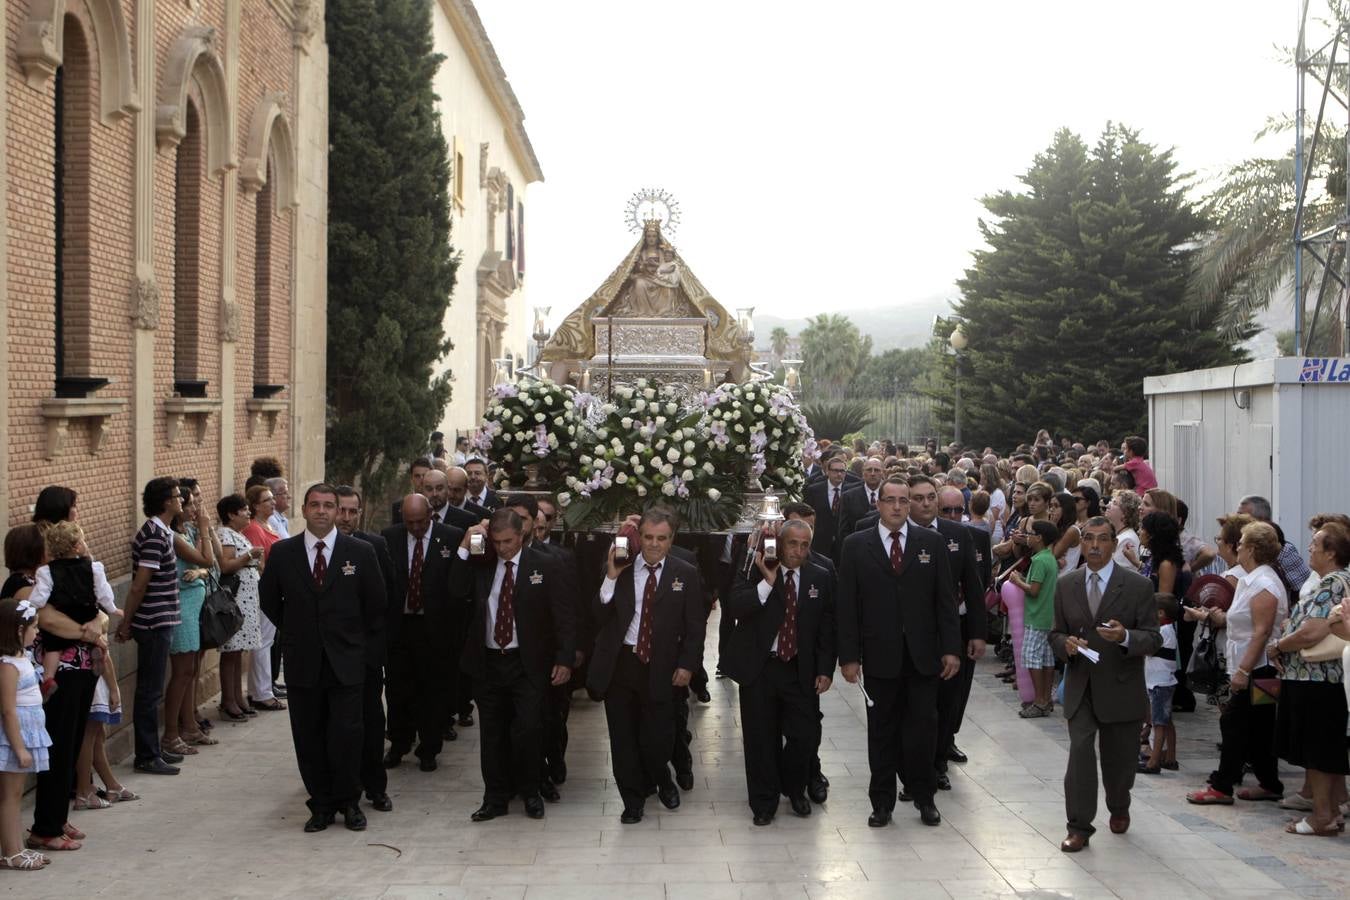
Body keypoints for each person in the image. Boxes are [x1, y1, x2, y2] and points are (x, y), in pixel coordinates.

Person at [259, 484, 387, 833]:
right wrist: (296, 631)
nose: (322, 511)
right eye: (315, 504)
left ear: (336, 511)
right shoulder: (284, 553)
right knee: (309, 735)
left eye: (329, 505)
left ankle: (350, 802)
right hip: (303, 662)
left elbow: (376, 605)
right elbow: (269, 599)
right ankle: (321, 804)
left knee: (347, 735)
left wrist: (359, 647)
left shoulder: (359, 552)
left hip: (347, 662)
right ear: (303, 509)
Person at [837, 476, 959, 828]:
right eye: (890, 500)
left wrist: (951, 648)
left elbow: (945, 601)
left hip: (923, 658)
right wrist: (849, 656)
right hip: (879, 657)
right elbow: (848, 606)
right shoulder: (856, 546)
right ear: (878, 504)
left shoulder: (931, 543)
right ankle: (881, 803)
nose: (897, 507)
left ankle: (925, 799)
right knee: (882, 732)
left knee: (923, 730)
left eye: (903, 501)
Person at [455, 510, 574, 822]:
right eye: (496, 542)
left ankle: (530, 791)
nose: (502, 548)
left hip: (528, 663)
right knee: (492, 733)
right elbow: (455, 590)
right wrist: (466, 546)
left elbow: (563, 614)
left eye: (508, 541)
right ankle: (494, 797)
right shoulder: (482, 564)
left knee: (528, 730)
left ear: (521, 535)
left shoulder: (545, 565)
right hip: (489, 662)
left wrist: (564, 658)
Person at [1050, 517, 1160, 852]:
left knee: (1119, 762)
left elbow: (1154, 639)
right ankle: (1079, 826)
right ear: (1080, 544)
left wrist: (1126, 636)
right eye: (1088, 539)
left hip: (1121, 685)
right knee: (1080, 753)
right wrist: (1065, 645)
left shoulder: (1137, 586)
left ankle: (1119, 803)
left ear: (1113, 544)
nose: (1095, 546)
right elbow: (1054, 633)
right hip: (1081, 685)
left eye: (1102, 539)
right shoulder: (1067, 584)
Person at [588, 508, 704, 824]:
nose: (654, 544)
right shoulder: (621, 567)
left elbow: (695, 626)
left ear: (671, 540)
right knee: (623, 738)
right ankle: (632, 800)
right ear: (640, 537)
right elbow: (597, 616)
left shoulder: (686, 572)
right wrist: (610, 576)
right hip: (621, 664)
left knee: (657, 739)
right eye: (648, 537)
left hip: (662, 666)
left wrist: (688, 665)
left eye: (661, 538)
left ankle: (662, 779)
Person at [725, 520, 835, 825]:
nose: (798, 551)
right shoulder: (753, 568)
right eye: (792, 544)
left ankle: (794, 787)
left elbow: (827, 626)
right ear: (779, 543)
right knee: (760, 738)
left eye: (804, 545)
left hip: (799, 669)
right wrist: (768, 582)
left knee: (805, 736)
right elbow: (736, 606)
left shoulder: (820, 577)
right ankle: (763, 802)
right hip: (759, 667)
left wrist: (826, 669)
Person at [1185, 521, 1289, 805]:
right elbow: (1239, 621)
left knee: (1234, 723)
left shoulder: (1265, 583)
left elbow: (1262, 631)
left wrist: (1243, 671)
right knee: (1259, 727)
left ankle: (1222, 784)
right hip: (1246, 662)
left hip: (1258, 667)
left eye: (1242, 542)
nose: (1237, 545)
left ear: (1253, 548)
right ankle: (1270, 782)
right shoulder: (1249, 579)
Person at [1269, 523, 1350, 835]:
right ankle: (1330, 810)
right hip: (1316, 679)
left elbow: (1314, 630)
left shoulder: (1332, 582)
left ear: (1331, 553)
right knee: (1323, 748)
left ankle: (1322, 815)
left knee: (1316, 750)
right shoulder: (1333, 580)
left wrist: (1279, 645)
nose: (1310, 548)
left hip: (1316, 678)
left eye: (1316, 543)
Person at [907, 478, 986, 788]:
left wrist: (978, 632)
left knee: (946, 701)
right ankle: (912, 766)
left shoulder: (958, 534)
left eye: (931, 498)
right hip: (911, 633)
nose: (926, 504)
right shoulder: (898, 535)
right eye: (919, 498)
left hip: (950, 632)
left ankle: (938, 762)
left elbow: (974, 585)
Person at [381, 494, 463, 771]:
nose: (416, 528)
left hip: (435, 629)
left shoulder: (451, 537)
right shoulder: (389, 537)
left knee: (432, 691)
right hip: (400, 627)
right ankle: (399, 743)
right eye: (409, 522)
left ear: (430, 514)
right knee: (397, 690)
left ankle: (429, 748)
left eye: (420, 521)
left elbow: (459, 582)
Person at [334, 486, 398, 814]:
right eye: (340, 510)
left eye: (351, 511)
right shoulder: (317, 550)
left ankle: (375, 787)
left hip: (365, 655)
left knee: (371, 722)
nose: (346, 517)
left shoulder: (373, 546)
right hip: (329, 657)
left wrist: (374, 644)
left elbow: (386, 598)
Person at [116, 476, 185, 776]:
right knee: (150, 691)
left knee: (153, 688)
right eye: (178, 496)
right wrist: (126, 622)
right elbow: (139, 584)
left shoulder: (163, 532)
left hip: (162, 619)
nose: (181, 499)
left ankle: (153, 749)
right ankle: (146, 755)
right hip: (153, 623)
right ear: (166, 502)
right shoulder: (154, 536)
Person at [162, 482, 220, 758]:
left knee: (191, 670)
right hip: (181, 607)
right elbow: (207, 560)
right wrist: (206, 529)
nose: (197, 508)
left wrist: (201, 572)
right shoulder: (175, 536)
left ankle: (189, 724)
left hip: (195, 603)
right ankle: (172, 732)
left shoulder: (190, 531)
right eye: (191, 503)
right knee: (182, 671)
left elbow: (210, 565)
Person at [26, 522, 117, 691]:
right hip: (87, 611)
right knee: (94, 628)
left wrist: (31, 607)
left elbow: (40, 597)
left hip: (63, 613)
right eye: (83, 541)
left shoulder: (46, 572)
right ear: (76, 547)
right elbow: (103, 592)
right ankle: (97, 648)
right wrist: (112, 608)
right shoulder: (92, 567)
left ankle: (48, 679)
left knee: (53, 648)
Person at [0, 599, 52, 870]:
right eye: (33, 627)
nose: (37, 632)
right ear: (18, 630)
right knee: (9, 796)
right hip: (13, 737)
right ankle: (10, 852)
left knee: (16, 795)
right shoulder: (7, 664)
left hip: (27, 731)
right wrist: (19, 748)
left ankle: (17, 848)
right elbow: (8, 710)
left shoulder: (23, 658)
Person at [216, 494, 266, 722]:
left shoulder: (238, 534)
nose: (248, 513)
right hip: (235, 601)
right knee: (231, 652)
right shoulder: (226, 534)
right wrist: (249, 555)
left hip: (246, 601)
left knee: (239, 653)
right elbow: (225, 566)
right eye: (244, 510)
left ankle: (238, 696)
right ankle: (229, 700)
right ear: (231, 514)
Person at [1010, 520, 1060, 718]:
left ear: (1039, 538)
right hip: (1047, 617)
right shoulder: (1049, 558)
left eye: (1030, 533)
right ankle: (1046, 699)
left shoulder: (1039, 560)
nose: (1027, 537)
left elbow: (1034, 590)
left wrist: (1017, 581)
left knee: (1031, 658)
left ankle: (1039, 700)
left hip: (1037, 616)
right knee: (1047, 660)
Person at [242, 484, 284, 714]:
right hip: (262, 591)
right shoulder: (253, 529)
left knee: (266, 641)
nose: (273, 502)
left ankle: (261, 690)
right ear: (256, 505)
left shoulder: (269, 525)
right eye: (267, 500)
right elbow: (256, 563)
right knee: (262, 643)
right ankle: (262, 693)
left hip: (273, 589)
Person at [1139, 595, 1179, 774]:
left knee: (1159, 723)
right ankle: (1170, 757)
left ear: (1160, 613)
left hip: (1159, 684)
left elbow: (1148, 648)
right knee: (1167, 721)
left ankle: (1154, 761)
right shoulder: (1166, 629)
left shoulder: (1163, 632)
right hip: (1162, 681)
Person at [803, 454, 849, 562]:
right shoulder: (814, 490)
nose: (839, 474)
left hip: (842, 544)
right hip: (820, 542)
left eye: (842, 471)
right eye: (835, 470)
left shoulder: (851, 491)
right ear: (827, 471)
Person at [390, 457, 433, 525]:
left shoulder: (437, 504)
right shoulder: (399, 507)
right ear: (411, 479)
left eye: (425, 475)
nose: (422, 480)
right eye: (417, 476)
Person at [1105, 490, 1142, 571]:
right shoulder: (1121, 535)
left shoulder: (1127, 539)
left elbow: (1117, 572)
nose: (1107, 505)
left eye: (1114, 503)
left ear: (1125, 513)